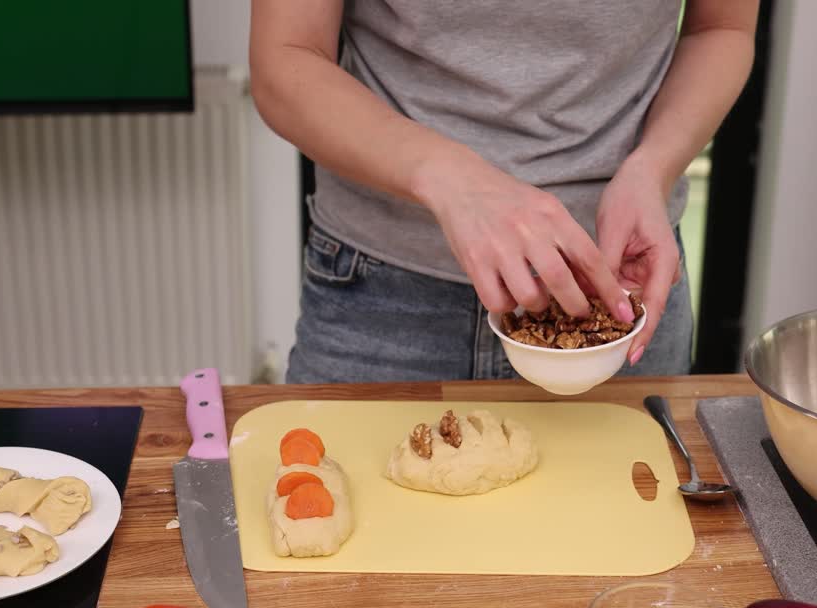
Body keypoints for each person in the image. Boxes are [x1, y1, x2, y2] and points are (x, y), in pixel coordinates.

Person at [250, 1, 757, 384]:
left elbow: (721, 28)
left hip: (616, 296)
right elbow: (286, 58)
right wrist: (450, 178)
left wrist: (654, 167)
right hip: (383, 300)